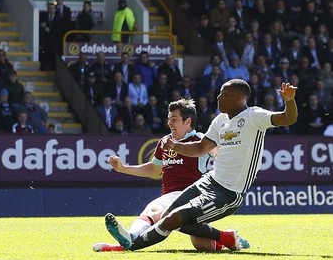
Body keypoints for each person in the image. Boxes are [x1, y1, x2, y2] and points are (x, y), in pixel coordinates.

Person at [104, 80, 298, 251]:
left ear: (239, 98)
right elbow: (200, 148)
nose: (218, 97)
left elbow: (288, 119)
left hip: (227, 193)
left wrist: (289, 100)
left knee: (172, 220)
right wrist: (176, 146)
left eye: (224, 94)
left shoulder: (254, 116)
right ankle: (226, 238)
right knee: (167, 217)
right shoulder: (220, 120)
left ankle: (130, 245)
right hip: (208, 181)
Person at [94, 99, 245, 252]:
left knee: (158, 213)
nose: (169, 123)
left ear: (187, 121)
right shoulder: (164, 141)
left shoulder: (199, 139)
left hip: (193, 195)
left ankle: (130, 237)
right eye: (168, 119)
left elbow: (218, 153)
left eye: (174, 119)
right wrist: (123, 168)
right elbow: (154, 169)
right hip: (170, 197)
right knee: (197, 240)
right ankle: (225, 239)